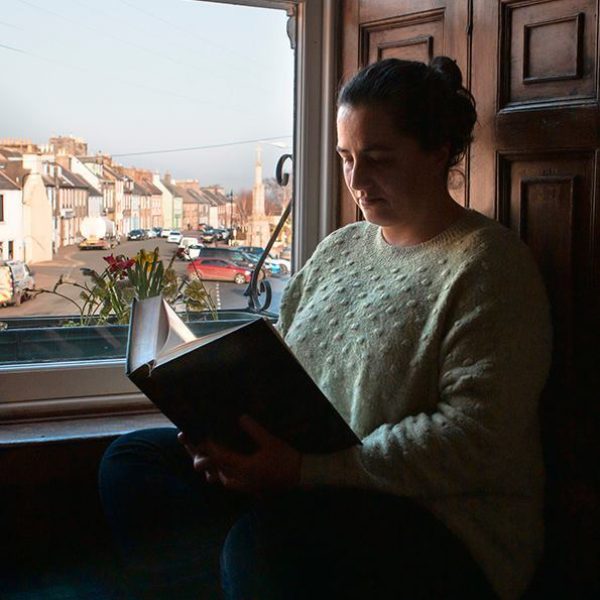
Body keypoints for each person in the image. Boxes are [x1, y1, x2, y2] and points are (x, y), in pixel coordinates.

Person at [99, 57, 552, 600]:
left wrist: (309, 471)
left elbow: (476, 437)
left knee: (263, 546)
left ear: (437, 152)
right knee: (132, 462)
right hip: (304, 480)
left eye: (378, 159)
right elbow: (279, 363)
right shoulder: (341, 248)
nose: (357, 181)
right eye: (345, 158)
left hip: (437, 521)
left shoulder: (488, 265)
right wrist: (222, 434)